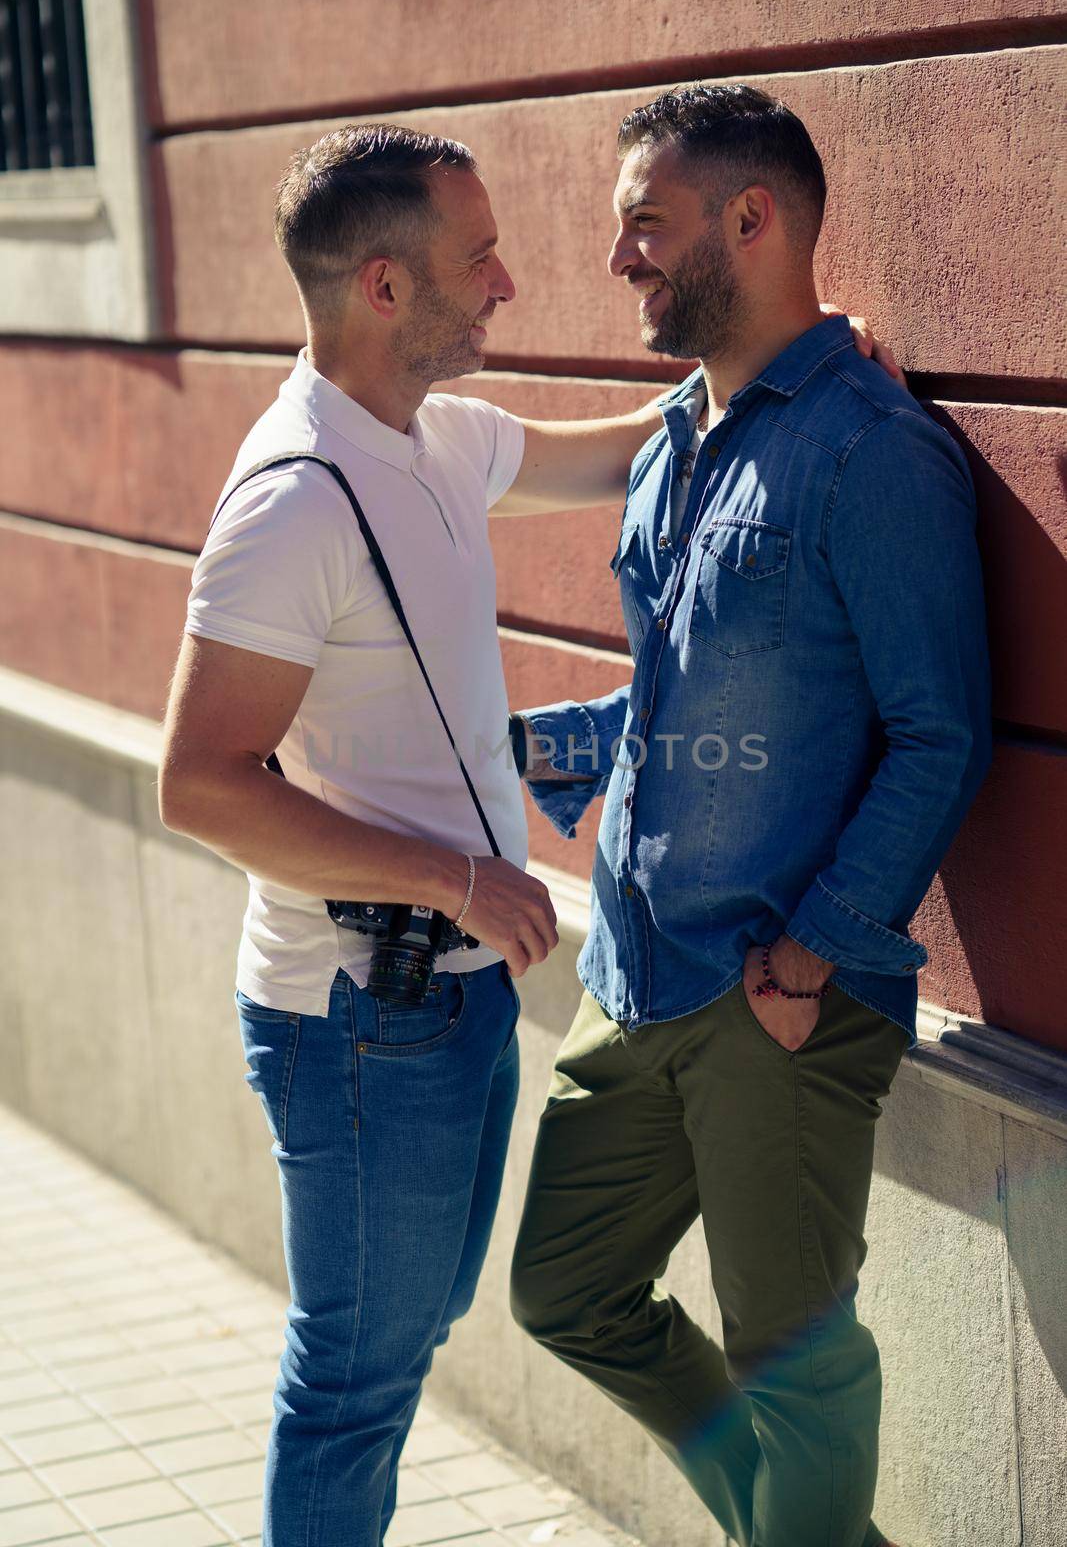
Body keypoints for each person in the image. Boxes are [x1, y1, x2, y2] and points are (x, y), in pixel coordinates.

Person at [158, 120, 890, 1545]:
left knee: (406, 1333)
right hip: (362, 1008)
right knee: (356, 1379)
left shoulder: (431, 434)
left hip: (451, 994)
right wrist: (458, 874)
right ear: (383, 287)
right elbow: (199, 785)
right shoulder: (293, 502)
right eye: (477, 259)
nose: (505, 285)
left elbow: (636, 445)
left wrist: (805, 356)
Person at [509, 85, 992, 1547]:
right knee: (567, 1289)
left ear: (753, 219)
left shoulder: (868, 452)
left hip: (776, 994)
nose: (621, 263)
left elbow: (938, 733)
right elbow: (683, 684)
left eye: (645, 226)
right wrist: (531, 746)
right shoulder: (678, 437)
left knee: (798, 1364)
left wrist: (819, 955)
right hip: (635, 975)